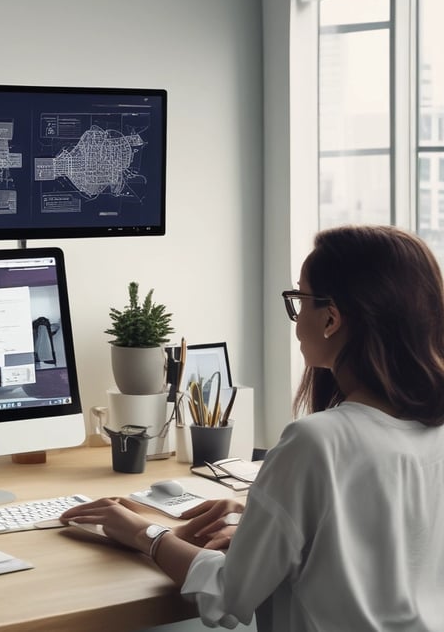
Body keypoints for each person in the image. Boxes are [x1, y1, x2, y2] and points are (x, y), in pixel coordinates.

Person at [62, 225, 444, 631]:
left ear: (331, 318)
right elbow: (384, 540)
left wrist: (144, 533)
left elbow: (230, 594)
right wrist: (260, 517)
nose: (296, 321)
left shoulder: (318, 441)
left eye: (299, 300)